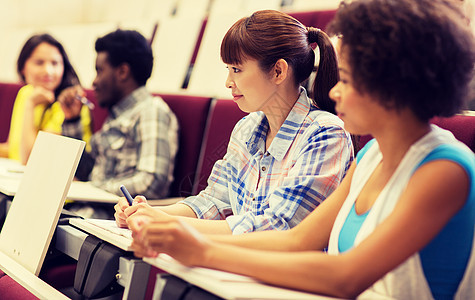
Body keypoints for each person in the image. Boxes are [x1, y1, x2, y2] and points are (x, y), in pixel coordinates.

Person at [127, 0, 475, 298]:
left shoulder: (445, 170)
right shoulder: (371, 157)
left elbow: (344, 277)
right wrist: (178, 236)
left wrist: (201, 250)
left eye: (349, 80)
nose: (334, 92)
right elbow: (295, 240)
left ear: (394, 86)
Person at [116, 10, 354, 234]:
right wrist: (148, 213)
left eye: (237, 70)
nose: (228, 82)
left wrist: (166, 222)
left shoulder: (326, 134)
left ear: (279, 72)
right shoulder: (246, 128)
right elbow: (213, 202)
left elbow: (277, 227)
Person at [60, 29, 179, 201]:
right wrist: (72, 120)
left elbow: (152, 183)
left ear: (122, 72)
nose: (94, 81)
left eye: (99, 70)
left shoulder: (151, 112)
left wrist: (93, 189)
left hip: (110, 218)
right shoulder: (118, 113)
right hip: (88, 211)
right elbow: (87, 172)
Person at [0, 33, 92, 164]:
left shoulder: (70, 104)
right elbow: (12, 148)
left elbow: (31, 160)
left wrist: (30, 105)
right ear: (22, 68)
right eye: (39, 63)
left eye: (55, 63)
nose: (48, 71)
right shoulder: (26, 92)